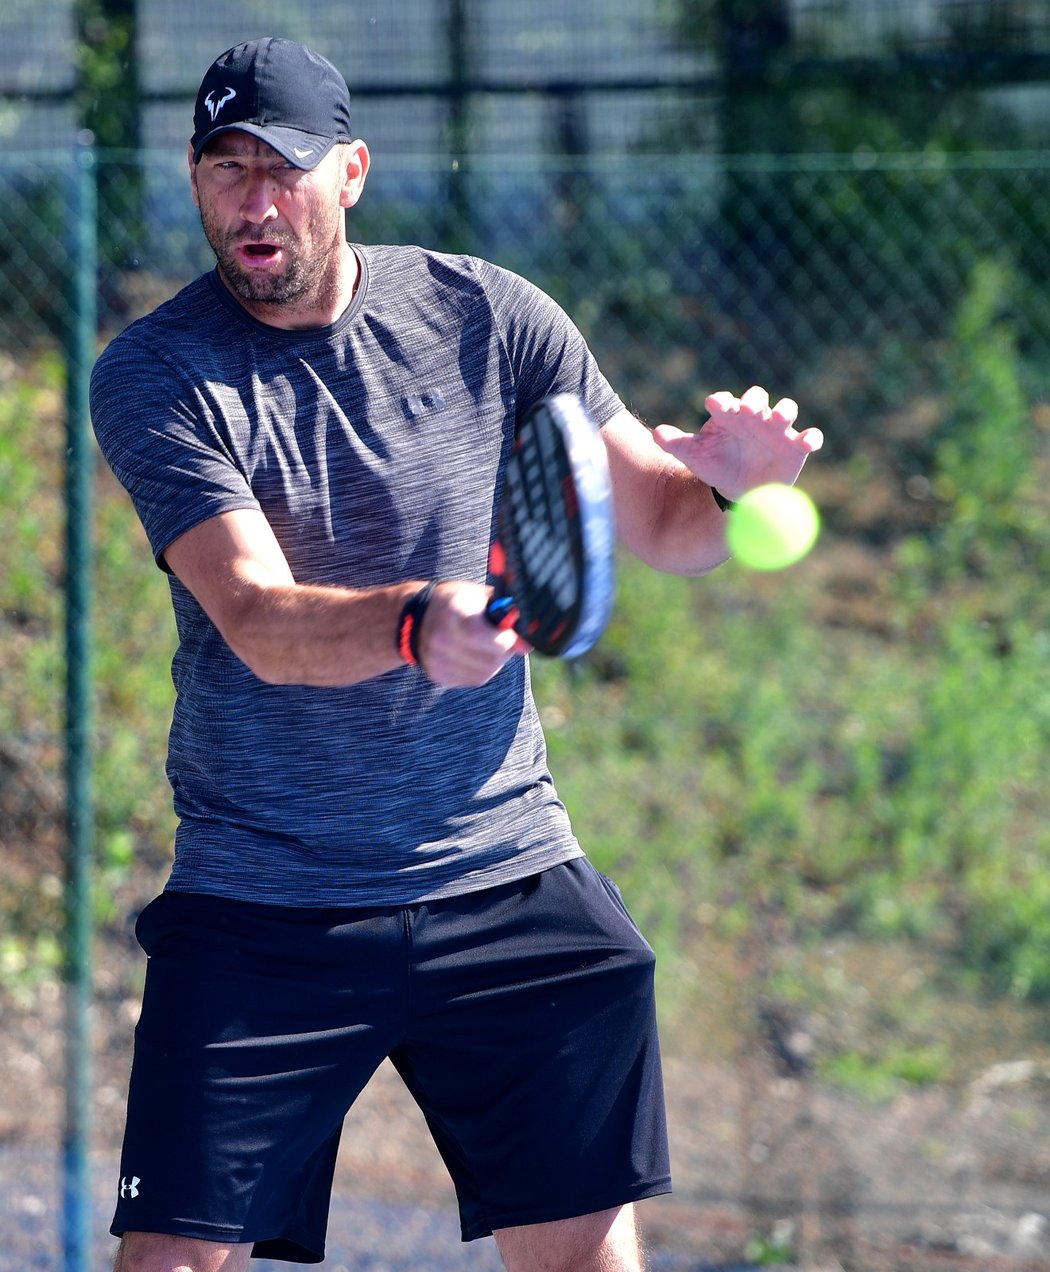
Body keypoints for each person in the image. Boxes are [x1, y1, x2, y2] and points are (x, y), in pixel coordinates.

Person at [90, 36, 823, 1272]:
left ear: (354, 173)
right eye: (226, 169)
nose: (255, 201)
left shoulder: (492, 315)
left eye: (286, 167)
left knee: (588, 1257)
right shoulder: (157, 372)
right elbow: (260, 619)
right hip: (267, 893)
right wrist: (420, 622)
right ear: (197, 181)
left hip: (501, 866)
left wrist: (738, 497)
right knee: (173, 1262)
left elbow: (656, 520)